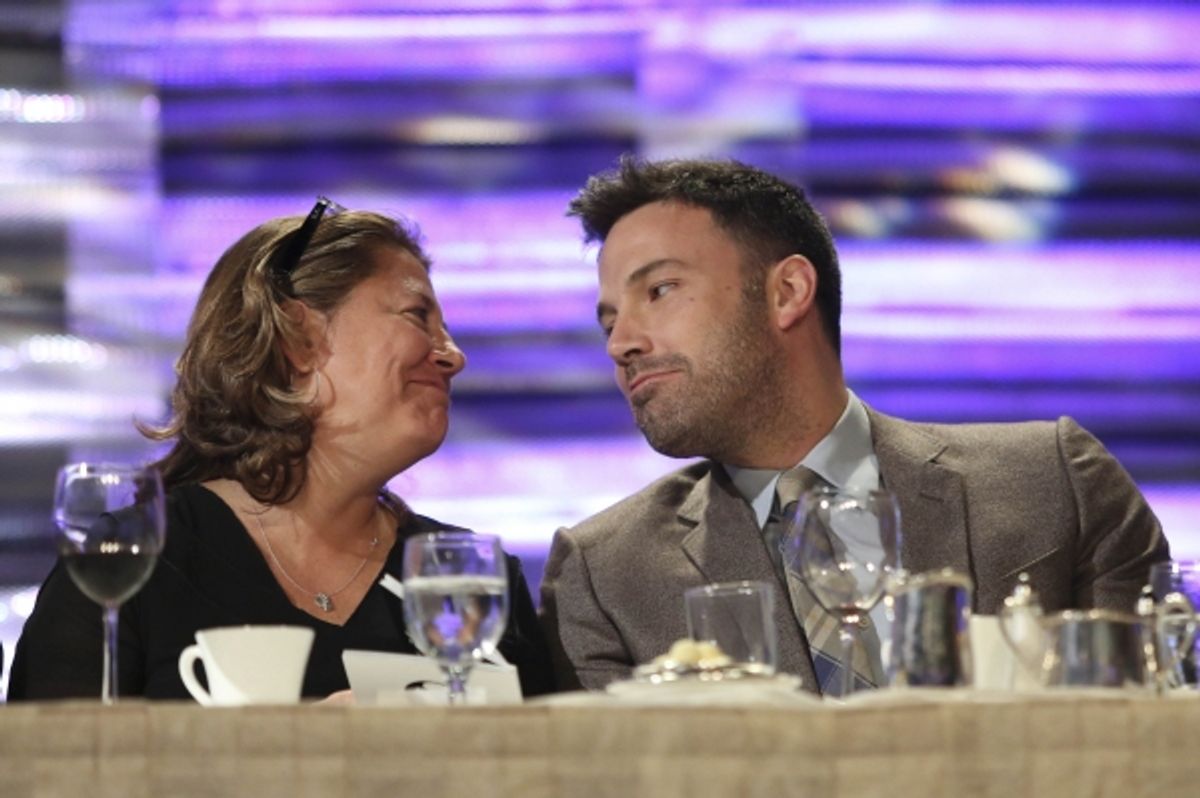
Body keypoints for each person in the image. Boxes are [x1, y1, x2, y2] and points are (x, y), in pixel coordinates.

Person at [540, 156, 1169, 695]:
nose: (621, 342)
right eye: (608, 322)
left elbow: (1151, 738)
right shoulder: (603, 575)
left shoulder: (1054, 482)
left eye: (660, 291)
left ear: (787, 291)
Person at [9, 199, 555, 701]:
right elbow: (53, 770)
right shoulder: (132, 563)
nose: (452, 355)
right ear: (297, 339)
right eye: (418, 315)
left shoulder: (469, 579)